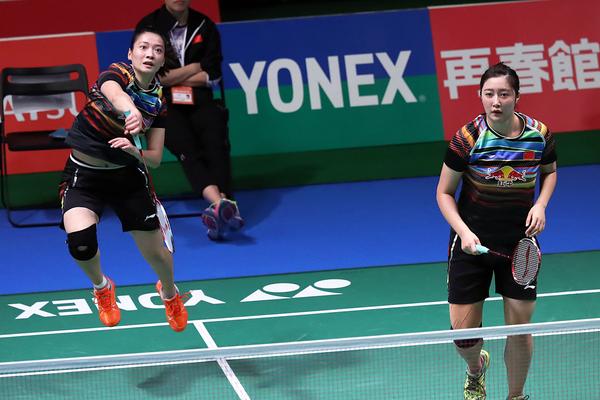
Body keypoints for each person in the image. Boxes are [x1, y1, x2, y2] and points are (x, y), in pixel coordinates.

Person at [436, 63, 557, 400]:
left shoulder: (539, 134)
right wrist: (464, 232)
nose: (496, 101)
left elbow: (549, 172)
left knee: (519, 330)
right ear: (480, 96)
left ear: (517, 96)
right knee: (464, 337)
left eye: (504, 94)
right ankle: (476, 369)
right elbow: (444, 193)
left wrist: (541, 204)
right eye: (489, 94)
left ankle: (516, 396)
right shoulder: (467, 138)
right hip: (471, 242)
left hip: (519, 246)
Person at [60, 27, 188, 332]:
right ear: (131, 54)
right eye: (143, 47)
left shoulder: (158, 103)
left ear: (162, 61)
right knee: (80, 244)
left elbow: (154, 159)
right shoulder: (117, 73)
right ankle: (102, 288)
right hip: (84, 174)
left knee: (157, 256)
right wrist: (132, 112)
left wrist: (134, 151)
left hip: (128, 178)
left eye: (157, 50)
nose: (149, 53)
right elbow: (116, 95)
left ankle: (169, 293)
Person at [136, 0, 244, 241]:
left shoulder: (205, 25)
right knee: (186, 147)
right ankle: (224, 205)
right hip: (164, 103)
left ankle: (219, 207)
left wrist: (174, 77)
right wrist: (196, 66)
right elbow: (152, 76)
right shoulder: (149, 27)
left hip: (201, 99)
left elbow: (212, 75)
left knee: (216, 141)